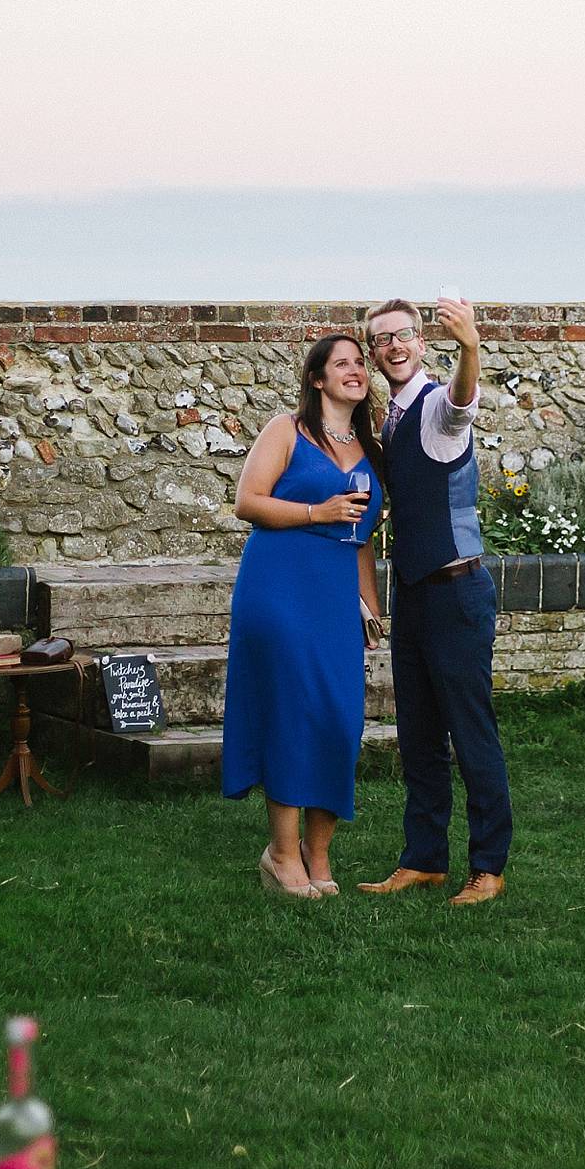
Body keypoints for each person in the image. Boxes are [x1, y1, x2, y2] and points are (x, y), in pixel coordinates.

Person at [355, 298, 512, 910]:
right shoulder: (388, 418)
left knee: (471, 734)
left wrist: (470, 347)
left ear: (422, 343)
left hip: (456, 593)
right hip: (414, 595)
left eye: (402, 336)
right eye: (380, 340)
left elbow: (461, 403)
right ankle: (423, 859)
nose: (392, 346)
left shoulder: (434, 409)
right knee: (418, 736)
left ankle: (488, 867)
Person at [222, 332, 385, 901]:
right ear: (317, 378)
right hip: (279, 587)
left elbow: (362, 538)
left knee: (340, 721)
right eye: (342, 363)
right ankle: (282, 855)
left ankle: (320, 855)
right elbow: (248, 502)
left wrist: (369, 604)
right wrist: (320, 510)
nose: (355, 370)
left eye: (360, 363)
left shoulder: (371, 446)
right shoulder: (285, 431)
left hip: (337, 593)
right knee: (292, 715)